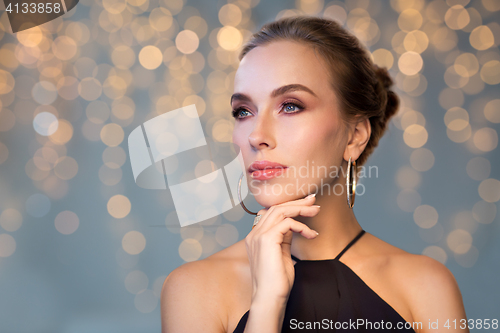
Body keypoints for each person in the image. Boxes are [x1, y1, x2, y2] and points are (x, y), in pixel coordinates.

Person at [161, 16, 468, 332]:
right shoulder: (194, 288)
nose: (255, 135)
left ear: (354, 136)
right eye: (243, 111)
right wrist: (266, 304)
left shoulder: (426, 285)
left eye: (291, 106)